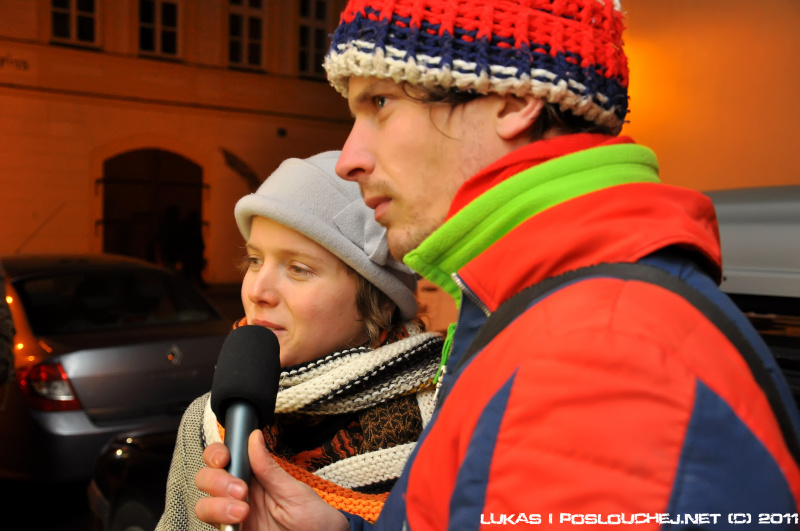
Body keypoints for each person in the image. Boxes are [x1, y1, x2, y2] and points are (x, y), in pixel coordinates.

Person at [194, 1, 800, 529]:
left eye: (380, 102)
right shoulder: (533, 315)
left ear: (513, 100)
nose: (350, 157)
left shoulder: (602, 358)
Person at [156, 151, 442, 530]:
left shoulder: (448, 420)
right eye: (255, 260)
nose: (258, 291)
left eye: (298, 269)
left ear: (380, 300)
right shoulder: (208, 423)